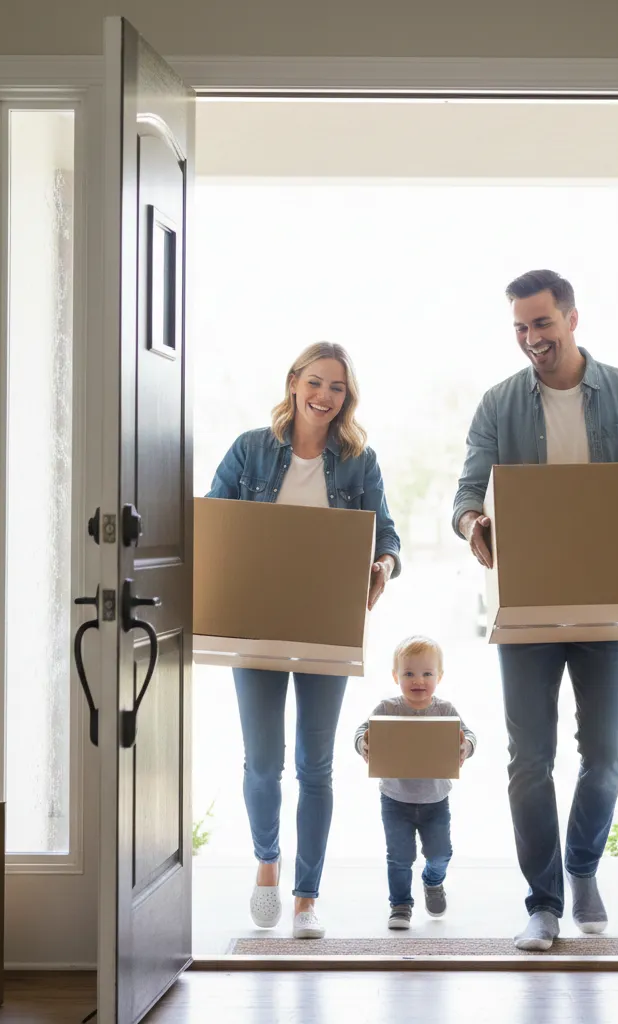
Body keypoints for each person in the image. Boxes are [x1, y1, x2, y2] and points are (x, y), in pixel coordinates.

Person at [452, 270, 618, 951]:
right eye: (521, 328)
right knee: (529, 760)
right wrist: (474, 523)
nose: (532, 338)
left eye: (542, 323)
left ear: (571, 318)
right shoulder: (498, 405)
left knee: (605, 756)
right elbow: (469, 489)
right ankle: (543, 902)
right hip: (527, 610)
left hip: (606, 605)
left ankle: (584, 865)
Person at [207, 341, 401, 940]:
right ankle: (268, 862)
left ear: (348, 398)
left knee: (314, 768)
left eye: (337, 388)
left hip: (326, 626)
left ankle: (306, 897)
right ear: (294, 383)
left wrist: (383, 566)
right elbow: (217, 518)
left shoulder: (358, 461)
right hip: (257, 623)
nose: (324, 397)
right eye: (315, 383)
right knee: (263, 765)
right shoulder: (249, 450)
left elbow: (386, 534)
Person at [354, 635, 476, 930]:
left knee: (440, 853)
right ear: (396, 676)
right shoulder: (387, 708)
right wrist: (363, 745)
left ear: (439, 677)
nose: (417, 680)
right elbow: (362, 731)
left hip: (435, 801)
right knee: (399, 857)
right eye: (408, 673)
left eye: (427, 674)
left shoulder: (445, 710)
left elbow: (469, 736)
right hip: (395, 799)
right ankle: (400, 905)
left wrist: (465, 748)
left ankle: (433, 881)